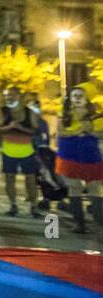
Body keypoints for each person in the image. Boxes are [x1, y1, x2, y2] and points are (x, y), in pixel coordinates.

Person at [56, 84, 103, 234]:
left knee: (94, 187)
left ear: (86, 99)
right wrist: (80, 130)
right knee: (74, 186)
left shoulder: (95, 115)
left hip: (90, 152)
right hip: (70, 153)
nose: (76, 98)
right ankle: (79, 223)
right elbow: (61, 132)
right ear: (70, 99)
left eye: (80, 96)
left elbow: (100, 134)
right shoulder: (64, 113)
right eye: (74, 96)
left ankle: (99, 223)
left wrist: (92, 132)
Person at [0, 86, 40, 218]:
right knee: (9, 179)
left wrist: (21, 128)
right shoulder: (3, 111)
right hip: (9, 149)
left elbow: (34, 131)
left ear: (19, 96)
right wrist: (9, 127)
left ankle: (34, 206)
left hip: (26, 149)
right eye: (6, 95)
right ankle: (13, 205)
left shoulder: (29, 112)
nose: (8, 98)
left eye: (11, 95)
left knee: (31, 180)